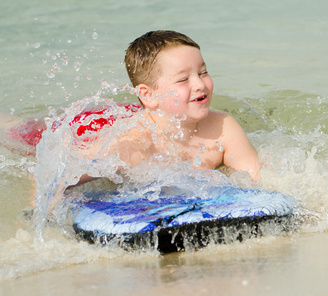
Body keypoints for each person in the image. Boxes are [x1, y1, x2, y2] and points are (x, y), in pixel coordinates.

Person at [83, 30, 260, 182]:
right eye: (183, 79)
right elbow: (66, 176)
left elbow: (256, 181)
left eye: (203, 72)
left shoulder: (223, 128)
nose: (200, 84)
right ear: (148, 95)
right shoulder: (130, 144)